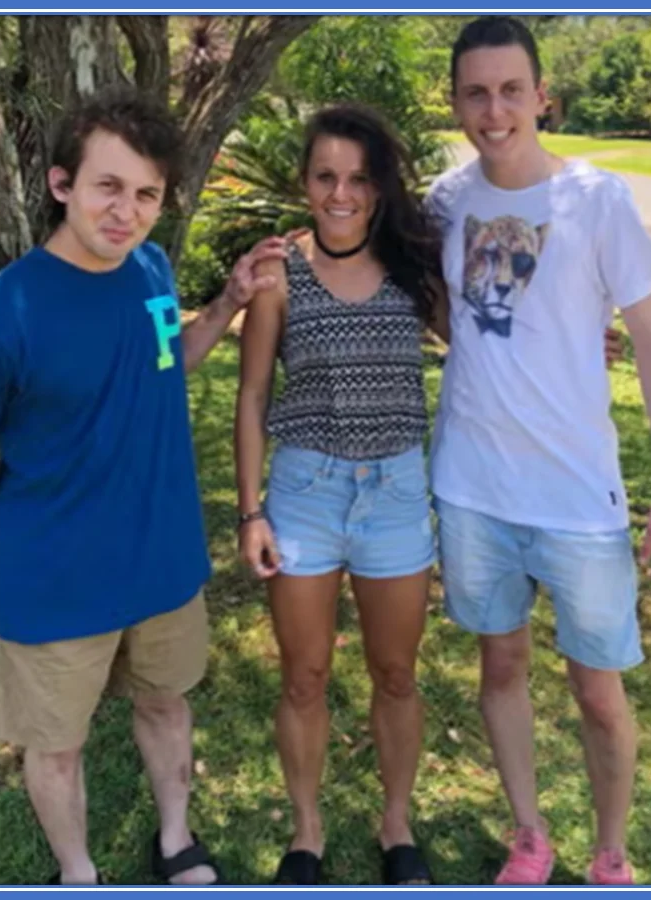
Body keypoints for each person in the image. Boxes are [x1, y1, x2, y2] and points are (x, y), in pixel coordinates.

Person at [0, 87, 286, 886]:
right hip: (54, 582)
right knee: (57, 743)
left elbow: (166, 364)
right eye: (108, 187)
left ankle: (175, 841)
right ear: (63, 185)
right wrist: (18, 518)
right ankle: (79, 872)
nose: (127, 212)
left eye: (147, 194)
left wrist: (227, 302)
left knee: (165, 703)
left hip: (160, 561)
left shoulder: (150, 268)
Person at [426, 16, 651, 886]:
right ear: (457, 101)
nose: (494, 109)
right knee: (498, 663)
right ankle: (529, 835)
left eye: (511, 90)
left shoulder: (597, 198)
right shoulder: (445, 200)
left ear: (542, 95)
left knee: (597, 689)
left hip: (579, 500)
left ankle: (610, 853)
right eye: (476, 91)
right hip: (472, 490)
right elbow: (441, 307)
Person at [235, 104, 446, 885]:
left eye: (358, 178)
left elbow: (489, 345)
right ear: (304, 182)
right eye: (325, 176)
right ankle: (307, 834)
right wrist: (250, 508)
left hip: (394, 491)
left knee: (396, 673)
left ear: (380, 186)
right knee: (305, 676)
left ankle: (397, 826)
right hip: (305, 495)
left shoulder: (413, 267)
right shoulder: (277, 274)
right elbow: (252, 395)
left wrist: (570, 336)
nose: (341, 193)